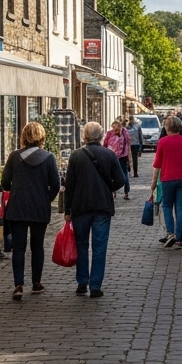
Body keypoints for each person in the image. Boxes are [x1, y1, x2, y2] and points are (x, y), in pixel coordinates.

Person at [64, 122, 128, 297]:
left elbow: (69, 185)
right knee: (99, 247)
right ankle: (95, 286)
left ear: (84, 136)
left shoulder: (76, 156)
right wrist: (109, 188)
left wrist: (67, 209)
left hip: (80, 207)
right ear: (100, 136)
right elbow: (121, 180)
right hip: (102, 206)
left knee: (81, 245)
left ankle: (82, 282)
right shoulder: (109, 154)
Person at [1, 121, 60, 301]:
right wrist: (44, 199)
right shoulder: (49, 158)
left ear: (24, 136)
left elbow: (5, 182)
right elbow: (56, 185)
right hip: (39, 208)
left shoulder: (14, 156)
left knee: (18, 247)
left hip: (17, 207)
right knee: (37, 246)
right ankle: (36, 283)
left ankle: (18, 284)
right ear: (42, 137)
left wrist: (17, 190)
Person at [152, 116, 182, 248]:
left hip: (167, 179)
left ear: (166, 127)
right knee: (181, 208)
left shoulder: (163, 142)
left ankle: (171, 233)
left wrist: (153, 182)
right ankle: (179, 238)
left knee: (167, 207)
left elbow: (157, 164)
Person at [103, 119, 132, 200]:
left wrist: (129, 160)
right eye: (113, 128)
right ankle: (114, 191)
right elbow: (105, 144)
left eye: (116, 128)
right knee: (113, 175)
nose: (114, 130)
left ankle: (125, 192)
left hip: (121, 157)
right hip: (112, 157)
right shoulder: (110, 133)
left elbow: (127, 146)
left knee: (124, 175)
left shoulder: (124, 133)